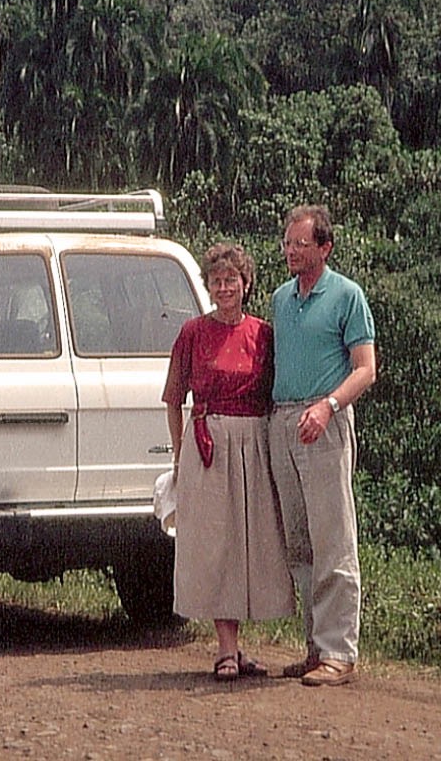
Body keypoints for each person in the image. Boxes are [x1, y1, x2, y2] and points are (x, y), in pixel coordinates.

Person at [163, 243, 295, 680]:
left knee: (250, 543)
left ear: (246, 284)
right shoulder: (192, 333)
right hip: (209, 444)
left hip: (254, 440)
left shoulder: (263, 334)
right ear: (208, 285)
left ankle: (241, 649)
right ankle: (225, 648)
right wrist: (180, 459)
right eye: (216, 281)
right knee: (216, 544)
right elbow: (172, 399)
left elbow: (279, 392)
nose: (224, 288)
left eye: (231, 281)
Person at [270, 205, 376, 687]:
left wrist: (328, 406)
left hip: (324, 421)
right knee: (299, 541)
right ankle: (315, 647)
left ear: (324, 248)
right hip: (283, 421)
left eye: (301, 244)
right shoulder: (279, 298)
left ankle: (339, 652)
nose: (291, 251)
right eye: (288, 243)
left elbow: (365, 368)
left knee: (334, 538)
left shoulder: (348, 295)